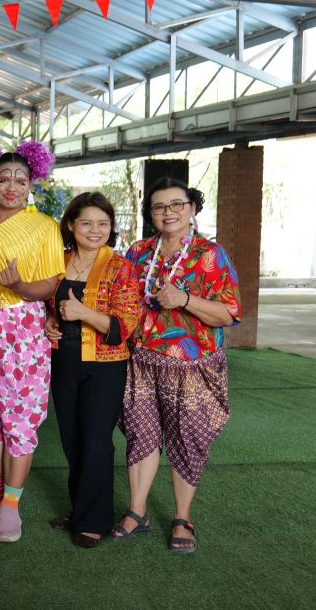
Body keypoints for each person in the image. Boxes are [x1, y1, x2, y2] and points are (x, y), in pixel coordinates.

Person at [113, 178, 240, 554]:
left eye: (176, 204)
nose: (168, 212)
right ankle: (137, 512)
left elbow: (229, 314)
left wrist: (184, 299)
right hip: (141, 362)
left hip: (191, 367)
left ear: (192, 207)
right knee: (141, 434)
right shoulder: (138, 252)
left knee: (187, 439)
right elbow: (120, 300)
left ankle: (182, 518)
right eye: (159, 207)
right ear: (150, 214)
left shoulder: (210, 254)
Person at [0, 139, 64, 543]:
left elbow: (50, 283)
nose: (12, 187)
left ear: (32, 183)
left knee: (20, 415)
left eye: (21, 180)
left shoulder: (44, 227)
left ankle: (11, 503)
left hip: (22, 324)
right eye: (4, 178)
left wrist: (19, 285)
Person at [43, 193, 140, 548]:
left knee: (96, 441)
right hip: (63, 362)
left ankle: (94, 520)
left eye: (103, 223)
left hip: (105, 366)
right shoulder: (57, 262)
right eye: (87, 223)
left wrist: (84, 313)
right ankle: (80, 510)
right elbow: (46, 307)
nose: (95, 230)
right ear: (71, 224)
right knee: (72, 439)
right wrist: (49, 322)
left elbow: (125, 325)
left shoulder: (120, 267)